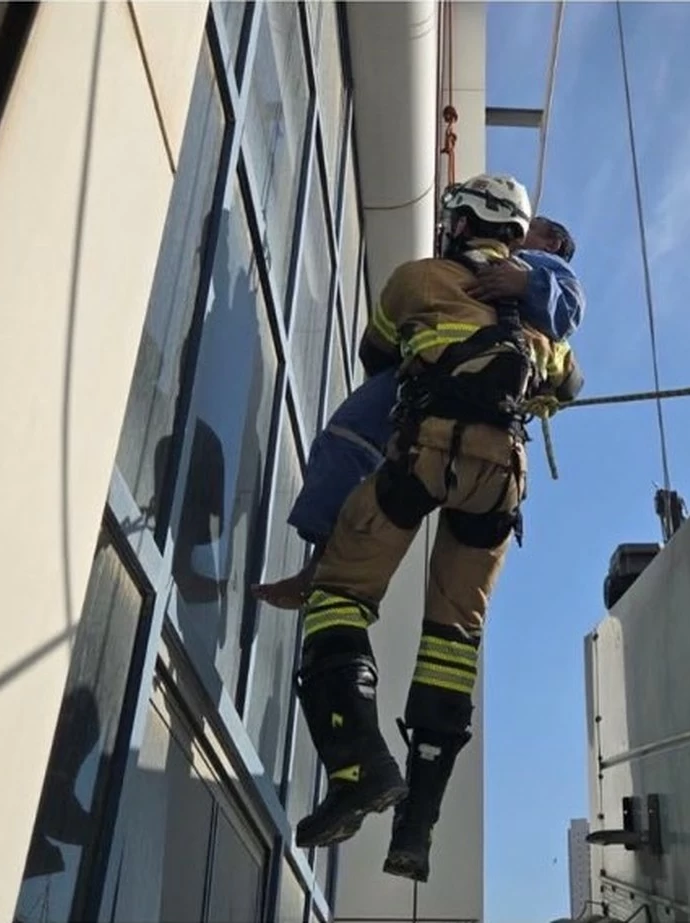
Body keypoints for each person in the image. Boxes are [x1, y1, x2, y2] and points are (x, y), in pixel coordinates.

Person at [286, 173, 586, 885]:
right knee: (453, 639)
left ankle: (358, 764)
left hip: (425, 452)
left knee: (339, 594)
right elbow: (567, 386)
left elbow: (378, 357)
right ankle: (415, 828)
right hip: (501, 481)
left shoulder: (417, 279)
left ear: (459, 223)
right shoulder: (541, 315)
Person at [251, 212, 582, 609]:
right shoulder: (474, 264)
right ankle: (322, 559)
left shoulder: (545, 267)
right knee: (349, 439)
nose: (521, 230)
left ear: (553, 243)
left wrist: (528, 283)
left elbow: (569, 314)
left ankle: (325, 565)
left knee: (354, 439)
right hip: (431, 376)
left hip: (471, 383)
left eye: (535, 227)